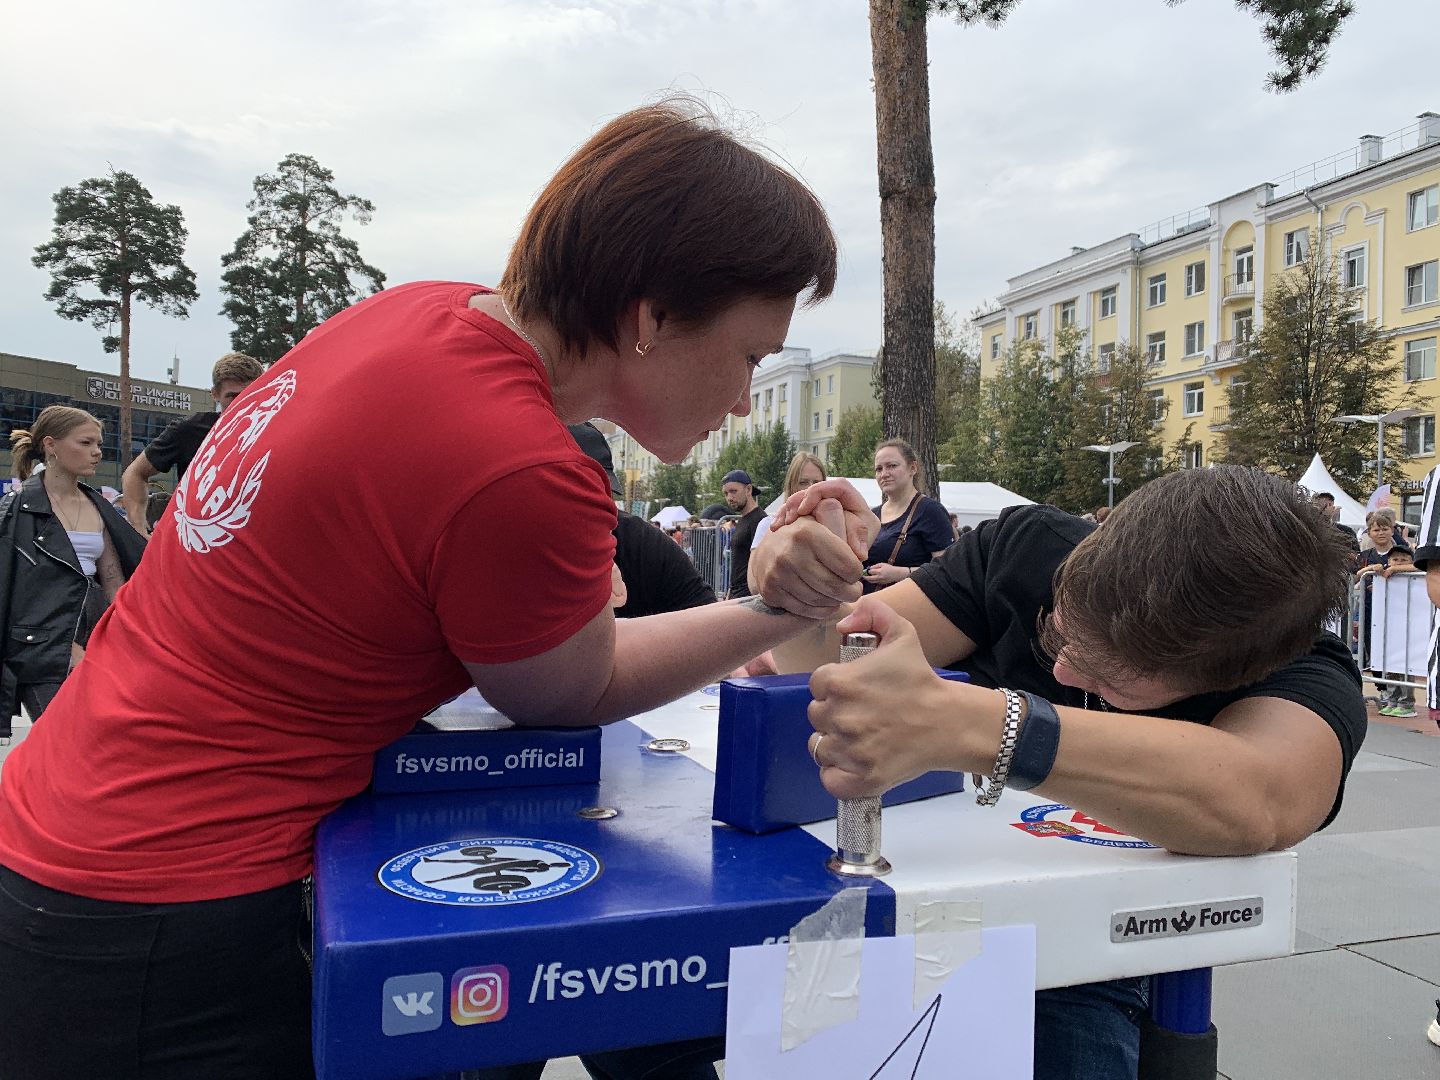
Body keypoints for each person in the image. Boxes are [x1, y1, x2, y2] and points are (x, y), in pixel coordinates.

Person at [0, 97, 850, 1080]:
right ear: (652, 315)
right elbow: (569, 688)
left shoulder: (413, 316)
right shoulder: (518, 461)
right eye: (751, 355)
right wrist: (776, 605)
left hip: (67, 829)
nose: (748, 397)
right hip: (172, 910)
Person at [751, 465, 1366, 1080]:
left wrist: (983, 726)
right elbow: (826, 661)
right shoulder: (1028, 549)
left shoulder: (1300, 667)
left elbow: (1261, 799)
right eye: (1056, 633)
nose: (1067, 672)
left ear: (1230, 677)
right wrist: (807, 591)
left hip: (1089, 953)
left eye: (1110, 677)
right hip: (913, 895)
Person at [0, 406, 146, 735]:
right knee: (70, 739)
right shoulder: (16, 509)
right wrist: (66, 649)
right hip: (41, 651)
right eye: (85, 443)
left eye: (99, 443)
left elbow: (112, 582)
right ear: (51, 445)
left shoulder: (99, 506)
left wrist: (124, 641)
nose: (97, 452)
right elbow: (15, 591)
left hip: (92, 642)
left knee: (98, 744)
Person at [119, 351, 265, 536]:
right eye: (233, 397)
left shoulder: (278, 428)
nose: (242, 404)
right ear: (215, 394)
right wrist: (138, 528)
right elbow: (134, 473)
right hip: (201, 541)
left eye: (250, 395)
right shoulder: (190, 429)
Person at [860, 438, 953, 592]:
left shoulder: (930, 512)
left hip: (908, 607)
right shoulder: (872, 515)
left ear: (913, 468)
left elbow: (948, 570)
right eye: (879, 469)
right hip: (868, 605)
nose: (884, 474)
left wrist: (901, 573)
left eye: (892, 466)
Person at [1357, 510, 1416, 716]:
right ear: (1370, 533)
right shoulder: (1365, 556)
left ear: (1392, 530)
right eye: (1376, 529)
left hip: (1400, 614)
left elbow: (1417, 566)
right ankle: (1387, 693)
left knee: (1402, 656)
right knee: (1380, 654)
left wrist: (1394, 570)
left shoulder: (1401, 551)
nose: (1381, 533)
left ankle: (1405, 700)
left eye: (1385, 529)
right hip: (1373, 612)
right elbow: (1355, 578)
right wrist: (1369, 571)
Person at [752, 451, 826, 547]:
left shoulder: (834, 524)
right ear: (791, 485)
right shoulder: (769, 526)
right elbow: (757, 562)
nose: (811, 489)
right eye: (803, 482)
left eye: (817, 483)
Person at [720, 468, 766, 598]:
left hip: (748, 597)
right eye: (726, 493)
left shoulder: (760, 521)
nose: (729, 497)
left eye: (733, 491)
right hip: (737, 595)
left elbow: (762, 564)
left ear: (748, 490)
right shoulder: (743, 520)